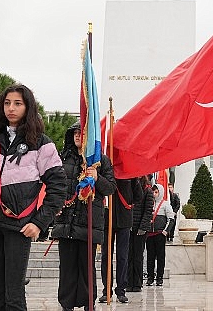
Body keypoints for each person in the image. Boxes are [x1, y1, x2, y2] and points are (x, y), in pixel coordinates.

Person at [0, 84, 67, 311]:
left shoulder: (42, 143)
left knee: (14, 296)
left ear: (28, 107)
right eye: (7, 103)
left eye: (17, 103)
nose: (11, 108)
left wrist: (39, 222)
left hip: (19, 226)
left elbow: (59, 187)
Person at [51, 122, 116, 311]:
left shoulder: (100, 161)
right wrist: (55, 206)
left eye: (82, 132)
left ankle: (89, 303)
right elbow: (55, 187)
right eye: (75, 133)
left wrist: (97, 177)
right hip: (66, 223)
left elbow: (110, 188)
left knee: (87, 268)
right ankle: (66, 304)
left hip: (88, 222)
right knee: (67, 268)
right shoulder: (63, 158)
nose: (78, 136)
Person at [99, 177, 142, 304]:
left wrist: (128, 200)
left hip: (124, 219)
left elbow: (138, 196)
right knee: (106, 256)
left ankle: (121, 290)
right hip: (107, 220)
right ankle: (107, 290)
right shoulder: (105, 170)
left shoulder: (129, 173)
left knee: (122, 256)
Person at [126, 175, 154, 292]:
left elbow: (148, 211)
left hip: (140, 229)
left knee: (137, 256)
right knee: (128, 256)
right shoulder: (130, 190)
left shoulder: (147, 191)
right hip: (129, 227)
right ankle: (128, 282)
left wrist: (142, 227)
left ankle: (137, 283)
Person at [145, 183, 174, 286]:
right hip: (149, 235)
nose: (154, 194)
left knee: (160, 257)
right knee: (150, 257)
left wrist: (165, 232)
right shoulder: (148, 204)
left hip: (159, 234)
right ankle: (150, 277)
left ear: (160, 193)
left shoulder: (165, 204)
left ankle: (160, 278)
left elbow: (171, 219)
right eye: (153, 191)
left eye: (156, 192)